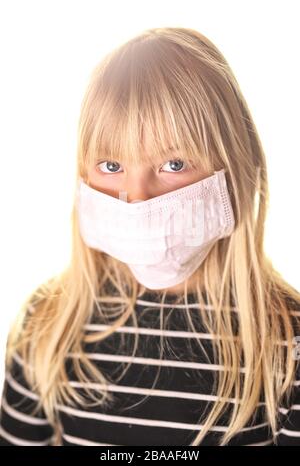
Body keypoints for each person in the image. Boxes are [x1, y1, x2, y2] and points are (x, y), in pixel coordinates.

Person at [0, 26, 299, 447]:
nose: (137, 199)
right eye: (111, 165)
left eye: (174, 164)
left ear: (232, 167)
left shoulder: (287, 344)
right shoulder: (47, 323)